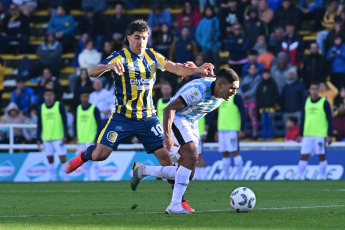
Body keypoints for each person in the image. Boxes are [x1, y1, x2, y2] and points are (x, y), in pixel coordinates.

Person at [65, 19, 214, 213]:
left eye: (144, 38)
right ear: (128, 38)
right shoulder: (119, 56)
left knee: (167, 160)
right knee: (100, 155)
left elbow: (177, 68)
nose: (141, 42)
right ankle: (83, 157)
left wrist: (198, 70)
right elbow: (92, 72)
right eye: (137, 38)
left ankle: (180, 201)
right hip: (122, 117)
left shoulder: (152, 56)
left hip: (148, 119)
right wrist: (109, 67)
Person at [131, 68, 240, 214]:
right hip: (177, 118)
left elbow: (211, 76)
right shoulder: (199, 91)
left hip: (191, 122)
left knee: (188, 172)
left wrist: (197, 69)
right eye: (232, 88)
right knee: (191, 156)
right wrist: (167, 136)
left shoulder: (218, 86)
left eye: (236, 88)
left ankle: (143, 170)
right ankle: (175, 205)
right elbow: (169, 109)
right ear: (220, 84)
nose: (234, 92)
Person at [295, 82, 333, 180]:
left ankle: (321, 176)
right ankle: (298, 176)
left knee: (321, 155)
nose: (314, 91)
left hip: (320, 134)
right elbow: (303, 118)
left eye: (316, 89)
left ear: (318, 90)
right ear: (309, 90)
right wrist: (300, 134)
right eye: (312, 89)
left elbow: (330, 119)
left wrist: (330, 134)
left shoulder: (324, 102)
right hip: (307, 134)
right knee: (303, 155)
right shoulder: (306, 102)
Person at [37, 89, 69, 181]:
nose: (49, 97)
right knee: (50, 159)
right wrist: (38, 138)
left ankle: (67, 179)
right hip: (46, 137)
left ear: (54, 96)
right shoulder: (42, 107)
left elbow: (65, 121)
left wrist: (65, 135)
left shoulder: (59, 106)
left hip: (58, 137)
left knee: (62, 158)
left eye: (50, 95)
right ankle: (53, 179)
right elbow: (39, 124)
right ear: (44, 97)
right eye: (47, 95)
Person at [217, 88, 246, 180]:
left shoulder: (236, 97)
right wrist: (217, 131)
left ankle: (239, 177)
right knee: (224, 152)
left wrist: (241, 129)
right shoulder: (221, 98)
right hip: (222, 129)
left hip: (232, 130)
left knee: (235, 152)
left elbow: (243, 113)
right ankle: (226, 177)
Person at [74, 90, 101, 181]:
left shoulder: (94, 108)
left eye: (86, 96)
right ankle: (87, 177)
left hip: (91, 139)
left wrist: (97, 137)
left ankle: (96, 177)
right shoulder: (78, 108)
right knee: (82, 160)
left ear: (89, 98)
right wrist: (75, 136)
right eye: (83, 96)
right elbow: (75, 123)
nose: (84, 98)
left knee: (94, 159)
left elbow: (99, 124)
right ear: (80, 98)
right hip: (81, 139)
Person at [238, 64, 262, 139]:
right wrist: (241, 94)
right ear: (248, 70)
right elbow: (240, 87)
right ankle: (243, 134)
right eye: (251, 69)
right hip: (244, 100)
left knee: (253, 117)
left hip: (252, 100)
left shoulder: (258, 78)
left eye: (254, 68)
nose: (252, 70)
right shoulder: (246, 78)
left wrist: (245, 95)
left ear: (256, 70)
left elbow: (255, 89)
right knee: (244, 117)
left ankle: (255, 134)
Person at [196, 4, 221, 71]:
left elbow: (218, 32)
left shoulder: (216, 20)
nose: (208, 12)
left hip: (214, 43)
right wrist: (202, 43)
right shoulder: (202, 21)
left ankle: (217, 70)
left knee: (215, 51)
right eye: (207, 10)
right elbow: (198, 34)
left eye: (210, 10)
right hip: (204, 45)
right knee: (204, 56)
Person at [256, 69, 279, 140]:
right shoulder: (260, 84)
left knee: (270, 123)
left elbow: (276, 95)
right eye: (264, 74)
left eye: (267, 74)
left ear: (270, 75)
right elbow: (258, 95)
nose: (266, 75)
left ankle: (270, 136)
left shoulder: (273, 84)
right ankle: (264, 136)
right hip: (262, 108)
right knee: (264, 123)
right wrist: (260, 103)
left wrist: (271, 102)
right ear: (262, 75)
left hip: (270, 107)